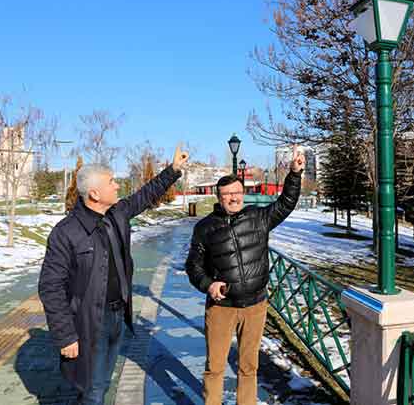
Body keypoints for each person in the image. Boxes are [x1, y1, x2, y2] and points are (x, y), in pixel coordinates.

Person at [38, 146, 188, 404]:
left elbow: (145, 195)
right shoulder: (66, 232)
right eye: (112, 182)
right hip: (89, 322)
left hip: (118, 315)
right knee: (92, 390)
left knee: (103, 382)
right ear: (94, 194)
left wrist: (172, 171)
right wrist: (65, 335)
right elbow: (51, 287)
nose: (118, 186)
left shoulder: (116, 214)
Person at [185, 146, 305, 405]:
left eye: (237, 193)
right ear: (219, 197)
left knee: (248, 367)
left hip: (255, 306)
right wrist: (208, 284)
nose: (234, 198)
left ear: (243, 193)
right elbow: (193, 267)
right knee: (215, 367)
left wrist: (295, 173)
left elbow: (286, 203)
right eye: (228, 194)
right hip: (221, 308)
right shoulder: (204, 228)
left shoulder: (258, 218)